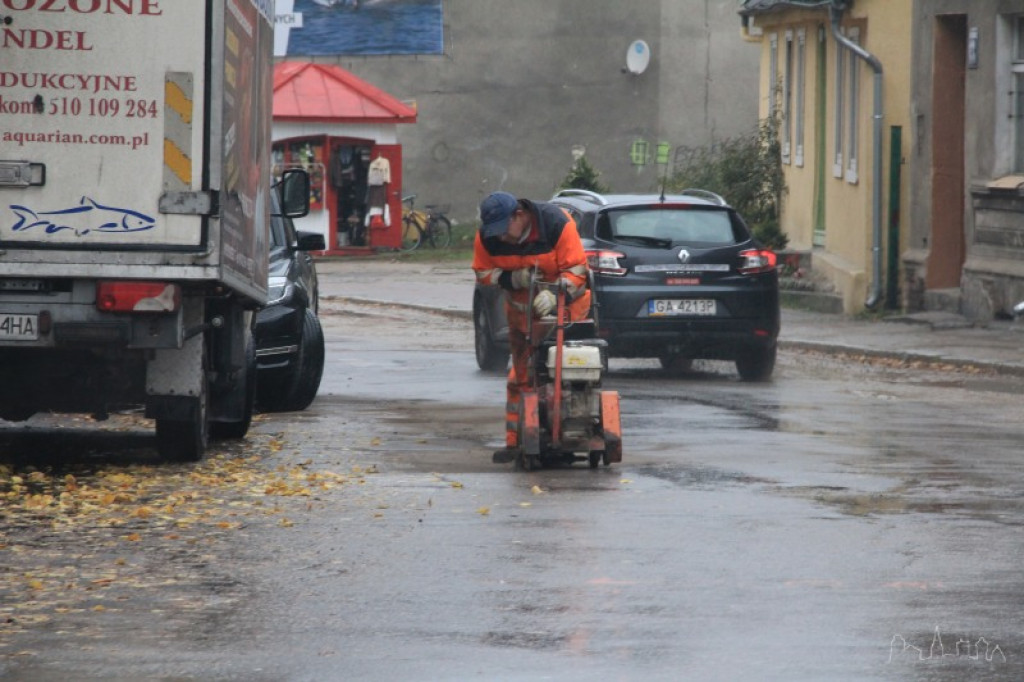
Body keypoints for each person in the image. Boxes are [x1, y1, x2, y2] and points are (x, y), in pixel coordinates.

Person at [472, 191, 592, 463]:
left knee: (567, 377)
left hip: (566, 317)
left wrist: (556, 294)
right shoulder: (488, 239)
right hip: (521, 321)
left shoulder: (556, 225)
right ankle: (516, 443)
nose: (501, 238)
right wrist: (512, 279)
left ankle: (569, 436)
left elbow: (577, 272)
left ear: (519, 215)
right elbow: (482, 273)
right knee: (521, 380)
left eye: (504, 230)